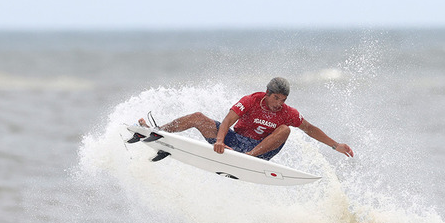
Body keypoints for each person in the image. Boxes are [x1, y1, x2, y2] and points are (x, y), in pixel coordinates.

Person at [138, 77, 354, 161]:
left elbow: (310, 129)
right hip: (234, 142)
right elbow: (227, 121)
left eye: (283, 99)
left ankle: (248, 157)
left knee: (286, 129)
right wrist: (221, 141)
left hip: (260, 151)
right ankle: (159, 131)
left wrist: (335, 145)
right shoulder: (251, 101)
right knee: (198, 117)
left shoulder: (287, 112)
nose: (279, 103)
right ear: (267, 93)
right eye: (276, 98)